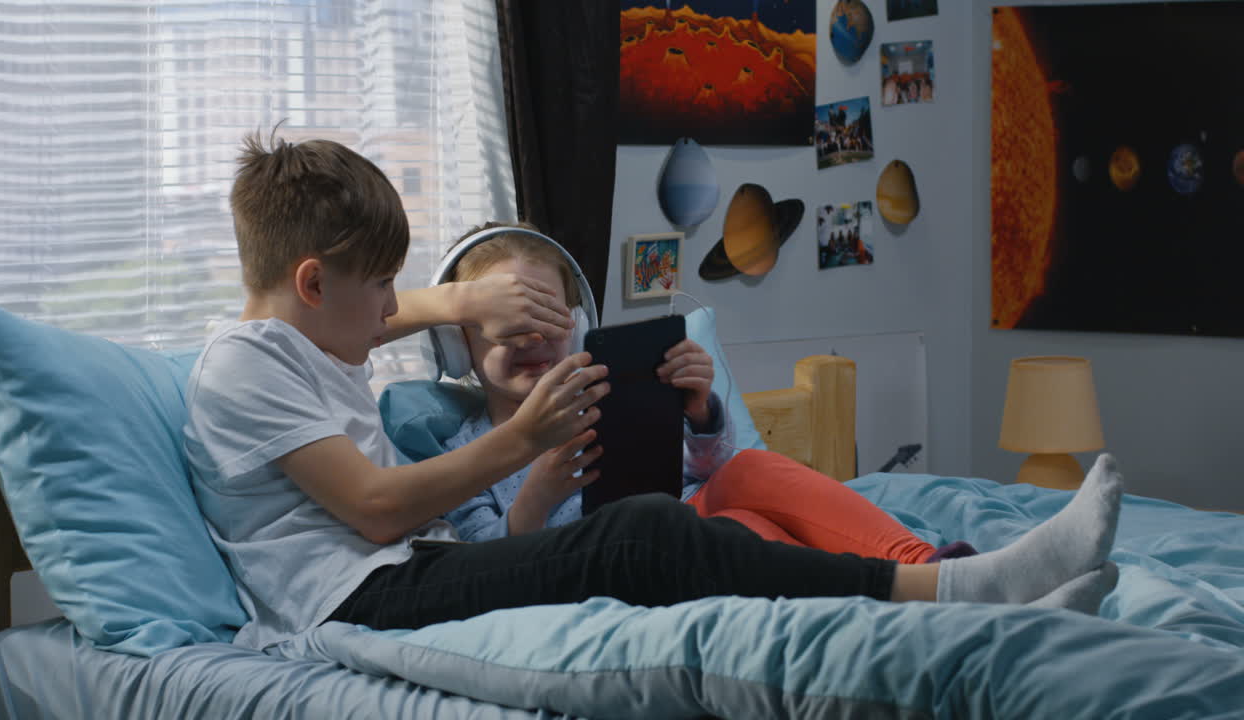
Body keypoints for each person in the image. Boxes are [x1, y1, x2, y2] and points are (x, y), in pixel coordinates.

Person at [184, 131, 1123, 652]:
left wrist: (466, 296)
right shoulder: (245, 364)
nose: (395, 310)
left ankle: (950, 586)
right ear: (313, 284)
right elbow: (377, 508)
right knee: (644, 535)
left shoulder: (310, 342)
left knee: (702, 515)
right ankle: (952, 590)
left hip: (397, 575)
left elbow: (378, 317)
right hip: (360, 600)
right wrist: (525, 441)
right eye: (385, 287)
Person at [441, 222, 974, 564]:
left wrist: (697, 413)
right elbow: (477, 566)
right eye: (507, 327)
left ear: (578, 325)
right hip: (616, 560)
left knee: (746, 483)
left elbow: (703, 470)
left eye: (549, 318)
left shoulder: (608, 398)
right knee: (728, 526)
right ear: (458, 344)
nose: (532, 340)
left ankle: (924, 570)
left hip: (693, 529)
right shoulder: (463, 458)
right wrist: (535, 498)